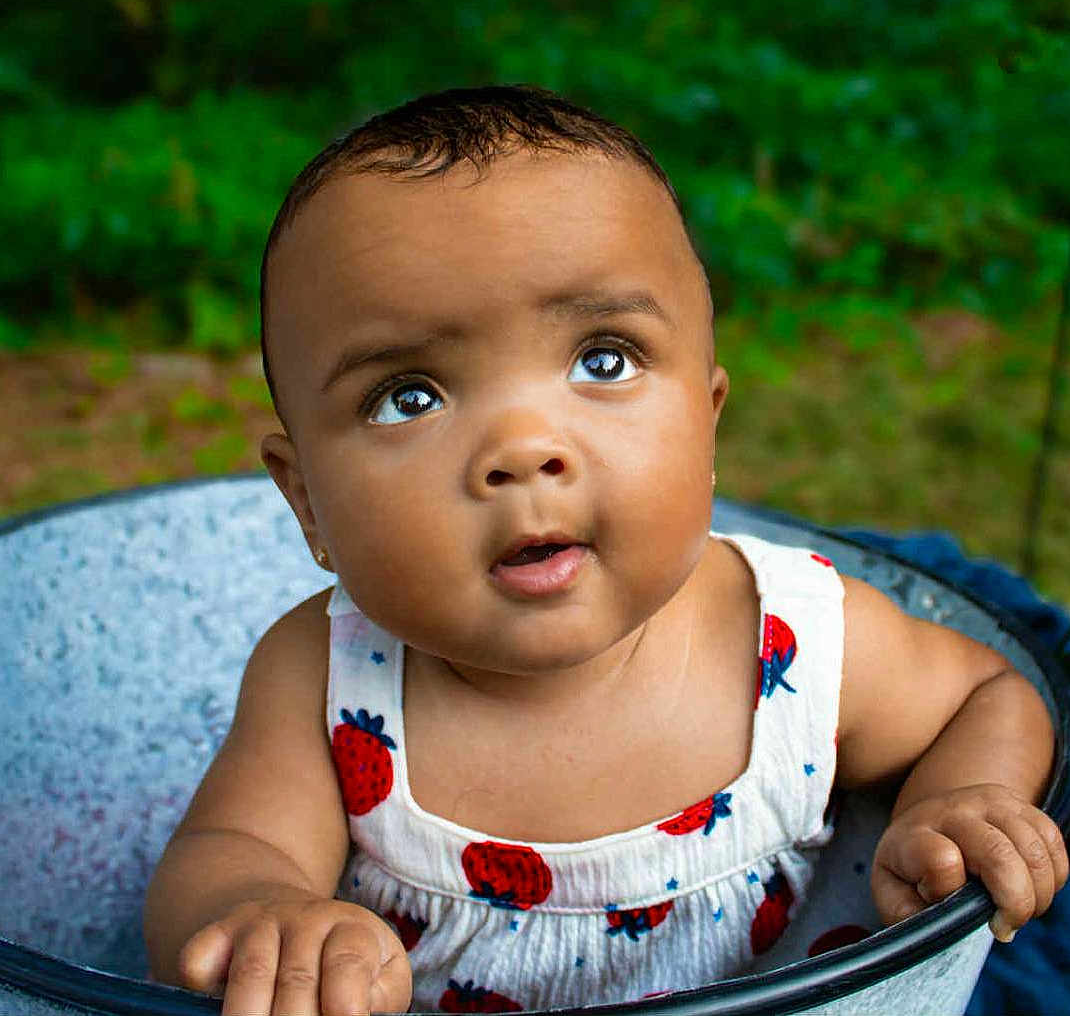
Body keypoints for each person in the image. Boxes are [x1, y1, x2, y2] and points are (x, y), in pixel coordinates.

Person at [143, 85, 1068, 1016]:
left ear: (706, 423)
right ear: (306, 501)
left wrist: (959, 803)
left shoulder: (796, 642)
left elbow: (990, 697)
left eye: (605, 358)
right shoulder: (327, 677)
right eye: (409, 396)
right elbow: (228, 854)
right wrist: (266, 913)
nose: (524, 450)